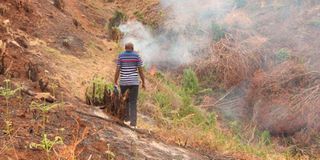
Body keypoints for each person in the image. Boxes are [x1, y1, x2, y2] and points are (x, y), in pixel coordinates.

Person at [114, 43, 145, 129]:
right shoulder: (136, 56)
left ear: (125, 48)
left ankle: (126, 120)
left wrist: (115, 81)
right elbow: (140, 70)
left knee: (125, 101)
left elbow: (117, 70)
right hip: (134, 82)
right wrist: (143, 82)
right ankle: (133, 124)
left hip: (123, 82)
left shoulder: (121, 56)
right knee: (133, 102)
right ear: (132, 48)